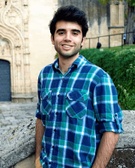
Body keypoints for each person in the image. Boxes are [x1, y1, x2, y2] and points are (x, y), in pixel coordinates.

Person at [35, 5, 123, 168]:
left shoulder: (98, 78)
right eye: (61, 32)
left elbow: (111, 130)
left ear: (82, 40)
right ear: (53, 38)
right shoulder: (45, 75)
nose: (67, 38)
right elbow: (41, 118)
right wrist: (37, 158)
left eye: (75, 33)